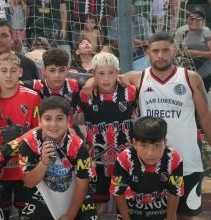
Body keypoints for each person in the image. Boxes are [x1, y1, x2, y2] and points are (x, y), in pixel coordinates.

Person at [84, 32, 211, 219]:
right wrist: (90, 81)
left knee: (185, 215)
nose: (161, 55)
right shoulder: (137, 78)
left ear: (174, 51)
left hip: (187, 160)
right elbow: (107, 75)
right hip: (150, 163)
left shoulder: (191, 78)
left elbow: (205, 117)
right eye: (155, 51)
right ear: (148, 53)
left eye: (166, 50)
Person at [0, 52, 41, 219]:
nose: (8, 75)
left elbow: (41, 132)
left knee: (27, 215)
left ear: (20, 72)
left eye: (13, 71)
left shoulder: (33, 97)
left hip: (25, 170)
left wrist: (22, 136)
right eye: (4, 70)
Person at [18, 96, 97, 219]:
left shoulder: (78, 146)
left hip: (75, 192)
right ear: (39, 120)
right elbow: (29, 183)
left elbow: (83, 185)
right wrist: (44, 162)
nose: (53, 125)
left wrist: (70, 216)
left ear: (68, 120)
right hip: (43, 193)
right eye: (47, 119)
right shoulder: (29, 143)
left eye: (59, 119)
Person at [79, 52, 137, 212]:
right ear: (93, 74)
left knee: (125, 199)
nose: (106, 78)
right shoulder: (84, 95)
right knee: (96, 201)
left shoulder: (130, 92)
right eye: (101, 73)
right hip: (97, 159)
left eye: (111, 73)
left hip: (125, 159)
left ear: (118, 73)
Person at [0, 48, 83, 137]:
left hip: (69, 135)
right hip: (45, 135)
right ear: (44, 71)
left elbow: (94, 82)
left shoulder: (75, 86)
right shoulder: (35, 86)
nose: (57, 75)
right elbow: (0, 82)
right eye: (52, 70)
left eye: (61, 70)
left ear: (68, 69)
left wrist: (91, 84)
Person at [110, 116, 183, 220]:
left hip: (160, 211)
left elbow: (175, 192)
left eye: (157, 145)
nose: (150, 153)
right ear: (135, 143)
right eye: (144, 145)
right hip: (131, 211)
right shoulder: (124, 159)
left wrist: (170, 217)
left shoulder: (174, 159)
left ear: (165, 142)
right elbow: (118, 192)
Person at [175, 5, 211, 92]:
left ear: (203, 20)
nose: (195, 21)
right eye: (191, 18)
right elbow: (174, 51)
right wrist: (181, 53)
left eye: (198, 19)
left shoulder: (206, 32)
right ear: (187, 19)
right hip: (184, 72)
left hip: (203, 73)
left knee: (201, 99)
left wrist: (193, 53)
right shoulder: (181, 31)